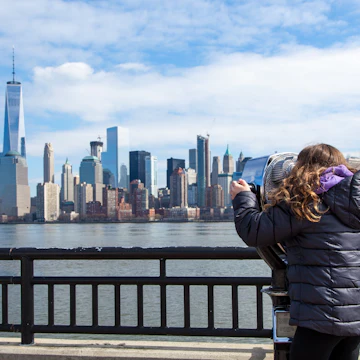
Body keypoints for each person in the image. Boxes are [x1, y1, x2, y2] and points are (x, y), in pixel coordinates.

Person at [230, 144, 360, 360]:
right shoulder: (353, 202)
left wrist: (243, 198)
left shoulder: (304, 202)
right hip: (355, 315)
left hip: (321, 314)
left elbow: (254, 231)